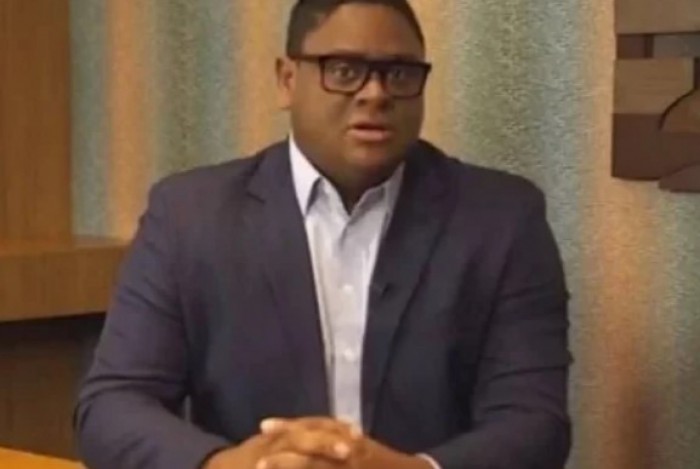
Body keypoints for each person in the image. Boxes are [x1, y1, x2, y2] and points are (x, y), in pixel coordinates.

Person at [74, 1, 572, 468]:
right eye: (345, 71)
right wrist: (224, 465)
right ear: (287, 80)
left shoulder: (501, 220)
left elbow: (534, 422)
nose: (375, 94)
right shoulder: (190, 216)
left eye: (399, 74)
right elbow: (112, 404)